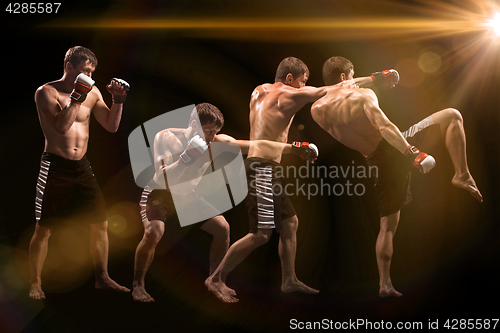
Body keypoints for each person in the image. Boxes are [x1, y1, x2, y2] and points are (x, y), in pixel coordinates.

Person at [311, 56, 483, 297]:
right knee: (452, 114)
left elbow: (340, 91)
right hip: (396, 147)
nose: (355, 81)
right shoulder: (363, 96)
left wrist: (376, 77)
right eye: (352, 76)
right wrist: (413, 152)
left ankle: (384, 285)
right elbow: (384, 126)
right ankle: (462, 175)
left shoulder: (316, 110)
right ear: (344, 77)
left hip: (375, 162)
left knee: (387, 227)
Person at [132, 103, 317, 302]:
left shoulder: (217, 141)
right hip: (160, 193)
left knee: (222, 228)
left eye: (216, 132)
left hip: (187, 196)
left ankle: (215, 280)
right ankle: (138, 285)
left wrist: (295, 148)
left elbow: (256, 145)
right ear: (194, 124)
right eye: (209, 131)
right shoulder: (166, 137)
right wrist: (187, 157)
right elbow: (162, 177)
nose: (212, 137)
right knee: (154, 232)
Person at [205, 57, 326, 303]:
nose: (302, 89)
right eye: (302, 82)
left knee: (290, 222)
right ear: (289, 78)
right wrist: (372, 79)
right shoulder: (280, 92)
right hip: (261, 169)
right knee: (260, 234)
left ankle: (289, 279)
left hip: (267, 167)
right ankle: (216, 279)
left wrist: (297, 148)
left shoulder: (260, 91)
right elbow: (323, 91)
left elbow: (264, 135)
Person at [29, 46, 131, 299]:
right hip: (55, 165)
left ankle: (103, 278)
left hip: (82, 166)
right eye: (84, 70)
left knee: (100, 223)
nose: (88, 75)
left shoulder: (93, 92)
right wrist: (77, 96)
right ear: (69, 67)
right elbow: (62, 127)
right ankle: (35, 283)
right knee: (45, 228)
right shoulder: (46, 92)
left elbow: (111, 126)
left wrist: (118, 100)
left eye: (91, 71)